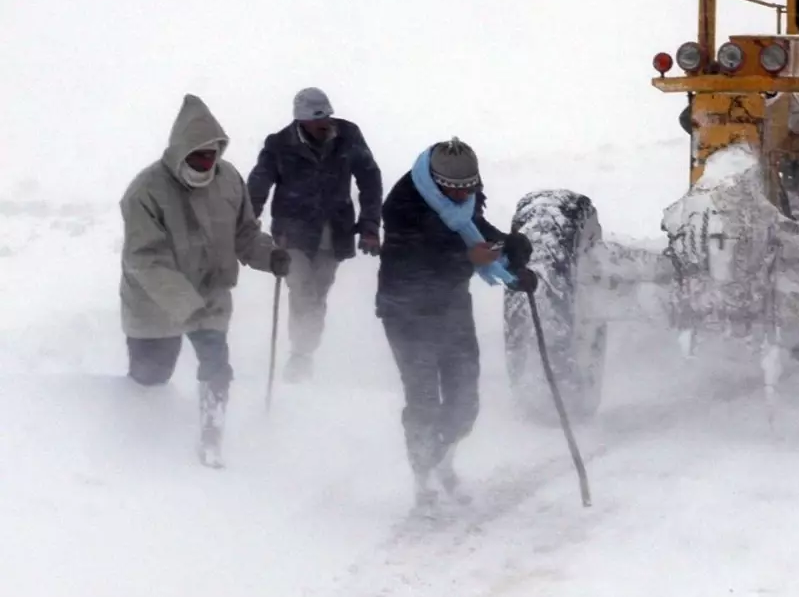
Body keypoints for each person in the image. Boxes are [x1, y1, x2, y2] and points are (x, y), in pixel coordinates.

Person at [119, 93, 291, 467]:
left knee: (217, 365)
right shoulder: (146, 190)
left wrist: (268, 254)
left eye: (212, 156)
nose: (205, 163)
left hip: (210, 292)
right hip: (154, 302)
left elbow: (244, 233)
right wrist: (184, 304)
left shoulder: (229, 180)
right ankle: (140, 453)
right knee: (150, 380)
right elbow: (145, 259)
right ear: (180, 151)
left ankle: (212, 437)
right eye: (197, 156)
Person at [375, 138, 536, 512]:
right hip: (406, 312)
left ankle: (441, 459)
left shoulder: (463, 201)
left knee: (465, 402)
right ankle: (423, 478)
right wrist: (470, 259)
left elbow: (475, 229)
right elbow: (415, 264)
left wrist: (510, 253)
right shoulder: (403, 206)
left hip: (452, 308)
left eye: (470, 187)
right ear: (433, 179)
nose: (464, 195)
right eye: (456, 188)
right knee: (424, 402)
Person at [247, 87, 383, 382]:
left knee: (318, 294)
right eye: (317, 119)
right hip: (292, 235)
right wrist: (245, 225)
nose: (326, 124)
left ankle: (305, 350)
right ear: (301, 121)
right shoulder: (279, 145)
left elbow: (370, 177)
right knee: (302, 290)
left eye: (328, 116)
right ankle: (300, 355)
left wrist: (370, 224)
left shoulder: (348, 136)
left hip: (334, 233)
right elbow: (258, 186)